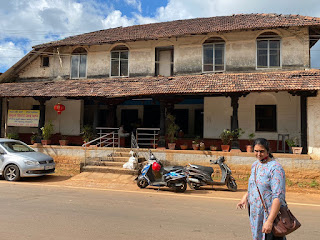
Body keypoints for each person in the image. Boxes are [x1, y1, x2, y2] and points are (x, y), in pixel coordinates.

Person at [237, 138, 286, 240]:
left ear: (268, 151)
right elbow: (254, 186)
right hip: (256, 214)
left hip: (270, 214)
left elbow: (278, 197)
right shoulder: (255, 165)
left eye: (262, 151)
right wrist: (245, 197)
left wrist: (269, 221)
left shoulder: (275, 168)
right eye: (256, 151)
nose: (259, 154)